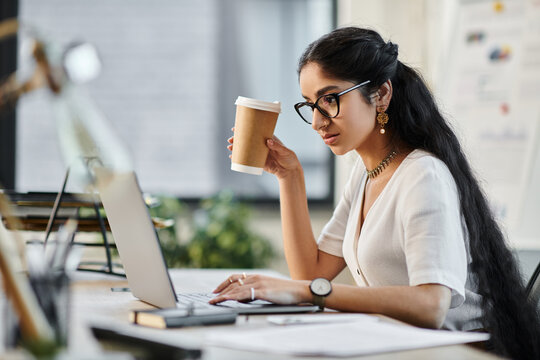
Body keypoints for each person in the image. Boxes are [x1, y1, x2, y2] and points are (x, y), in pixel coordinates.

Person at [210, 27, 540, 359]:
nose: (316, 122)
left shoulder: (423, 175)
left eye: (330, 99)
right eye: (310, 105)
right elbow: (311, 272)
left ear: (381, 94)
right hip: (401, 346)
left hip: (455, 351)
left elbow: (432, 305)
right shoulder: (366, 173)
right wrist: (289, 176)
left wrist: (307, 293)